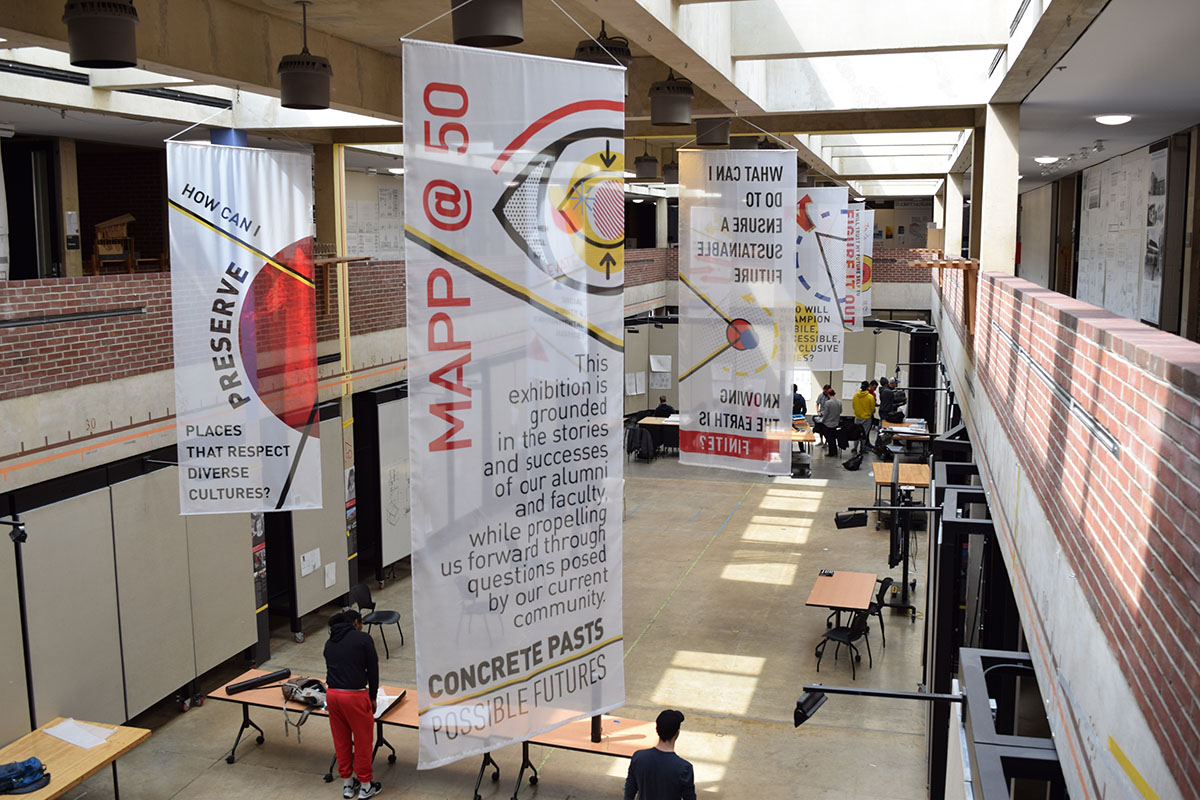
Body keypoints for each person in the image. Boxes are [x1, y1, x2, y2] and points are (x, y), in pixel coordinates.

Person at [324, 611, 381, 799]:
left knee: (341, 741)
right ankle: (365, 786)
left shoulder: (329, 643)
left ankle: (348, 784)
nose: (362, 627)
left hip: (332, 696)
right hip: (355, 696)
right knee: (363, 741)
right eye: (361, 623)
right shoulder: (363, 639)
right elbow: (373, 670)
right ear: (355, 622)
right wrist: (372, 696)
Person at [624, 709, 696, 800]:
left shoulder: (638, 757)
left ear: (656, 729)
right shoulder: (684, 768)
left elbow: (629, 791)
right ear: (677, 733)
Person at [813, 387, 843, 456]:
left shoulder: (828, 403)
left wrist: (823, 421)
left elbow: (825, 414)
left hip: (828, 423)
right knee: (833, 438)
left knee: (829, 439)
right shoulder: (839, 402)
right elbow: (841, 411)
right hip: (836, 422)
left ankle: (831, 453)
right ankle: (835, 451)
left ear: (829, 394)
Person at [852, 381, 876, 453]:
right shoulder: (870, 397)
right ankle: (862, 449)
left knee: (856, 433)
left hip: (857, 417)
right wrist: (869, 413)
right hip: (867, 418)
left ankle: (854, 448)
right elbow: (872, 408)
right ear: (868, 387)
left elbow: (853, 406)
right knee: (864, 434)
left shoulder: (855, 395)